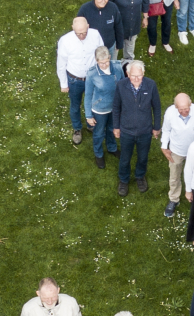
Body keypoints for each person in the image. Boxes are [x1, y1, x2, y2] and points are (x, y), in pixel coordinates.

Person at [58, 17, 107, 146]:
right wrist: (64, 84)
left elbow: (102, 53)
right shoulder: (65, 40)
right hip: (75, 80)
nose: (81, 36)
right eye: (78, 33)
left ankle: (91, 124)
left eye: (84, 33)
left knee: (94, 102)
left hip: (93, 78)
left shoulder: (95, 35)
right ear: (72, 28)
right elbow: (61, 63)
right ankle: (77, 128)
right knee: (75, 105)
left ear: (88, 26)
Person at [161, 94, 194, 217]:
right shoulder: (170, 113)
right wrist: (164, 146)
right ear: (175, 107)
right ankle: (174, 199)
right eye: (180, 109)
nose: (184, 112)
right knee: (174, 176)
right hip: (176, 150)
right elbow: (166, 130)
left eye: (186, 108)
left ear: (191, 104)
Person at [116, 60, 162, 194]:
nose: (136, 79)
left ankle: (140, 176)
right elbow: (116, 107)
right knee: (125, 157)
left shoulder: (151, 85)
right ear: (128, 74)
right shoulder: (121, 85)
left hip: (145, 131)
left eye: (139, 75)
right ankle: (123, 180)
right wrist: (116, 127)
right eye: (133, 76)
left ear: (143, 73)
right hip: (126, 131)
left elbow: (157, 107)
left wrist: (156, 127)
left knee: (143, 157)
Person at [83, 47, 125, 169]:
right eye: (101, 63)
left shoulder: (117, 67)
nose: (104, 65)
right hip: (99, 110)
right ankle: (99, 154)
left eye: (106, 61)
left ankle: (112, 148)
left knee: (112, 128)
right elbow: (88, 95)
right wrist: (88, 115)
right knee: (99, 132)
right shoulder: (92, 73)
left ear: (110, 58)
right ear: (96, 61)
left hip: (115, 108)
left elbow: (123, 85)